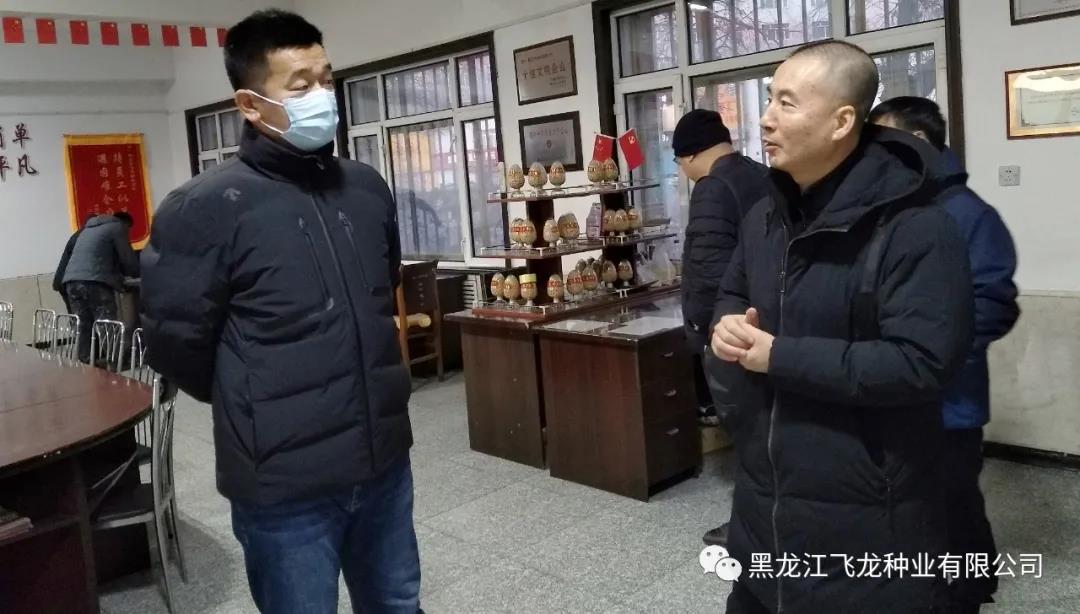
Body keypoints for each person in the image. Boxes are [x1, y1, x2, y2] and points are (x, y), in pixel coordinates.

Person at [140, 10, 420, 614]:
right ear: (251, 104)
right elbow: (174, 345)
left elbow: (380, 292)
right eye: (300, 85)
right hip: (284, 486)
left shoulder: (366, 188)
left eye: (327, 79)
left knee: (398, 603)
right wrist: (257, 400)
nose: (322, 96)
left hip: (382, 463)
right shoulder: (204, 208)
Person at [709, 40, 974, 613]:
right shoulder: (764, 215)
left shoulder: (915, 229)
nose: (765, 118)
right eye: (768, 99)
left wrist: (780, 356)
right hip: (762, 509)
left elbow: (922, 363)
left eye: (786, 103)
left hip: (867, 516)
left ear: (841, 122)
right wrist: (725, 324)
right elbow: (731, 292)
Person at [870, 96, 1020, 612]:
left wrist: (933, 354)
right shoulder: (896, 208)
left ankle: (969, 589)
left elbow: (994, 305)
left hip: (949, 400)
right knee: (919, 503)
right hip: (897, 393)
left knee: (953, 500)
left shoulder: (967, 213)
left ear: (919, 143)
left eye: (885, 142)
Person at [672, 108, 769, 548]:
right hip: (762, 322)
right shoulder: (758, 174)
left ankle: (751, 530)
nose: (683, 170)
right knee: (765, 431)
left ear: (691, 154)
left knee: (748, 437)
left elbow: (709, 272)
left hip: (729, 331)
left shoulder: (713, 187)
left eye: (680, 160)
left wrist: (701, 329)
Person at [58, 211, 138, 362]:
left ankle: (85, 362)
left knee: (83, 325)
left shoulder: (87, 230)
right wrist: (136, 274)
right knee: (106, 323)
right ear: (125, 224)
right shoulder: (117, 227)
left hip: (71, 282)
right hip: (95, 282)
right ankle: (116, 362)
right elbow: (127, 258)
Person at [53, 214, 96, 312]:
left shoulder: (79, 234)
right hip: (70, 281)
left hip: (65, 280)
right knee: (81, 315)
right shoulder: (85, 236)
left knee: (76, 316)